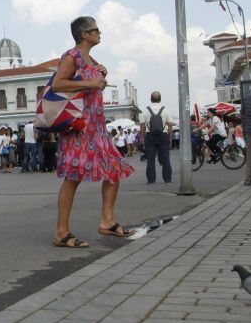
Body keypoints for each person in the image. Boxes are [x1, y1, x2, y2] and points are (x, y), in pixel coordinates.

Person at [52, 16, 134, 248]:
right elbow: (58, 84)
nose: (100, 33)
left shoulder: (90, 59)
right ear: (84, 34)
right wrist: (90, 84)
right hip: (79, 128)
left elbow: (90, 84)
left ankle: (107, 221)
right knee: (73, 177)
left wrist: (101, 76)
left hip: (97, 129)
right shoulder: (72, 56)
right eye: (95, 30)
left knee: (114, 170)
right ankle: (61, 232)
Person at [139, 91, 174, 184]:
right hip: (163, 136)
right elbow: (170, 125)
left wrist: (143, 137)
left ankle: (151, 180)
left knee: (150, 159)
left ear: (151, 99)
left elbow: (142, 126)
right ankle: (167, 179)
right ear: (160, 99)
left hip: (150, 136)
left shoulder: (146, 110)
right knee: (166, 158)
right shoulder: (165, 109)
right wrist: (170, 138)